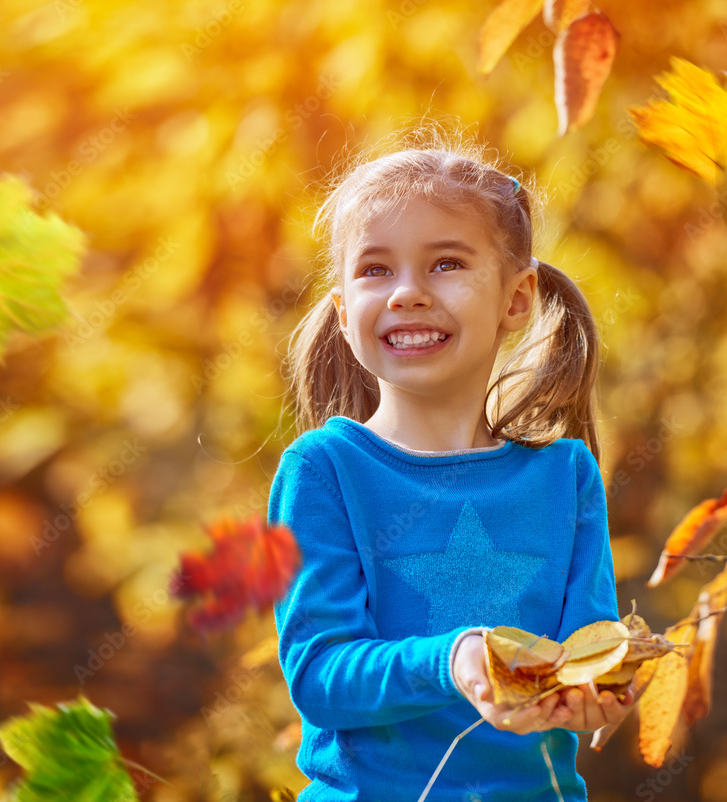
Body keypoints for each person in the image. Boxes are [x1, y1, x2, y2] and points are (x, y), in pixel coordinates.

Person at [267, 131, 633, 801]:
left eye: (446, 264)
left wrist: (600, 690)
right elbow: (321, 676)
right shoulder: (324, 471)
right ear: (346, 316)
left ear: (516, 299)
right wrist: (454, 659)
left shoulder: (566, 478)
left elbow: (590, 650)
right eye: (376, 269)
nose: (407, 292)